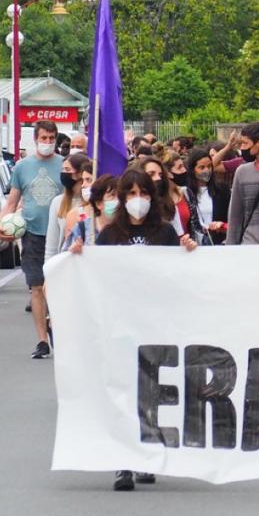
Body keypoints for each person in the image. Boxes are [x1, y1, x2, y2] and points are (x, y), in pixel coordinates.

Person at [70, 168, 196, 493]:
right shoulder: (109, 235)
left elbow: (178, 276)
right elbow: (95, 278)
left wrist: (187, 251)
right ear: (123, 198)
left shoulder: (165, 233)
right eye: (131, 194)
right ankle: (123, 461)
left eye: (143, 193)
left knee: (149, 391)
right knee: (123, 390)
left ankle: (146, 455)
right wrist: (80, 256)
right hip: (119, 324)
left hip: (153, 323)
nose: (138, 200)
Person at [0, 121, 63, 359]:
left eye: (51, 138)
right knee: (36, 287)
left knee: (56, 288)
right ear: (35, 139)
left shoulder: (64, 165)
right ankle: (42, 340)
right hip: (32, 234)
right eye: (44, 138)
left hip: (59, 236)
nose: (48, 142)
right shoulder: (22, 167)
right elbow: (12, 202)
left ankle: (56, 326)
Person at [45, 154, 92, 264]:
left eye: (67, 169)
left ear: (80, 173)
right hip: (64, 263)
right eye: (62, 170)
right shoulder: (58, 202)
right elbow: (52, 242)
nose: (63, 173)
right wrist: (49, 267)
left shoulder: (91, 203)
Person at [186, 147, 230, 245]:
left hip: (218, 243)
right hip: (194, 244)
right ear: (192, 170)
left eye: (209, 166)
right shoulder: (186, 192)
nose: (207, 170)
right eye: (202, 167)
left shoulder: (222, 190)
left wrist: (221, 226)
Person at [63, 174, 118, 248]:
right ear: (99, 204)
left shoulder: (126, 230)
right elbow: (66, 253)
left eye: (120, 196)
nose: (118, 200)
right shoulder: (82, 228)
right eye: (112, 195)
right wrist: (74, 251)